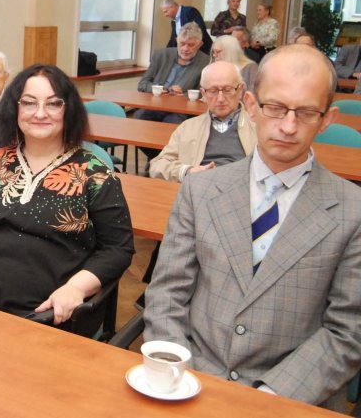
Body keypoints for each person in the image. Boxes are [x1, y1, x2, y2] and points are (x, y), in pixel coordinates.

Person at [144, 44, 361, 412]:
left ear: (327, 119)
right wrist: (182, 374)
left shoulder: (353, 211)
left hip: (290, 396)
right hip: (192, 381)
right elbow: (167, 294)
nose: (288, 127)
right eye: (275, 107)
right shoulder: (200, 190)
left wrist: (264, 399)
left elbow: (347, 331)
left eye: (306, 112)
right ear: (251, 105)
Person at [0, 64, 134, 326]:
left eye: (53, 104)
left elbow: (117, 249)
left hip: (44, 312)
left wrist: (76, 288)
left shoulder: (94, 174)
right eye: (29, 103)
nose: (40, 113)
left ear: (69, 110)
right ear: (15, 108)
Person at [150, 62, 256, 182]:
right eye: (213, 91)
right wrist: (188, 171)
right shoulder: (187, 128)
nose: (220, 99)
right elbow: (157, 166)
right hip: (198, 186)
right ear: (203, 93)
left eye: (227, 90)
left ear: (240, 90)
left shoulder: (258, 127)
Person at [136, 22, 210, 124]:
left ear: (199, 44)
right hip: (155, 105)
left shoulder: (206, 62)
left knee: (173, 122)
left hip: (180, 109)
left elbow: (204, 92)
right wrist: (162, 89)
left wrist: (183, 95)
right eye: (182, 43)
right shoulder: (161, 55)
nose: (185, 49)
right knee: (140, 116)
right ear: (176, 41)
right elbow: (142, 84)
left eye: (191, 45)